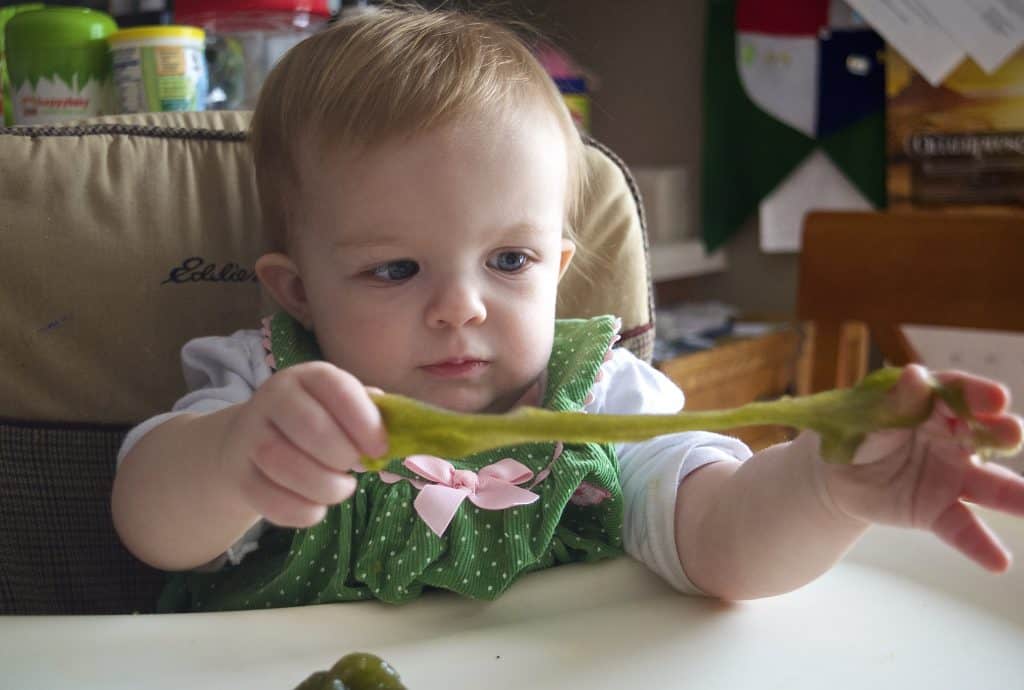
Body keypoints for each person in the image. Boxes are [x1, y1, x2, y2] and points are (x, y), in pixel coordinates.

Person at [111, 5, 1024, 612]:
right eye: (394, 270)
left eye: (508, 260)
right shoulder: (269, 389)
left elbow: (725, 547)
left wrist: (830, 490)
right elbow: (154, 530)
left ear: (559, 266)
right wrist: (239, 461)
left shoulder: (603, 401)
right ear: (299, 290)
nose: (460, 308)